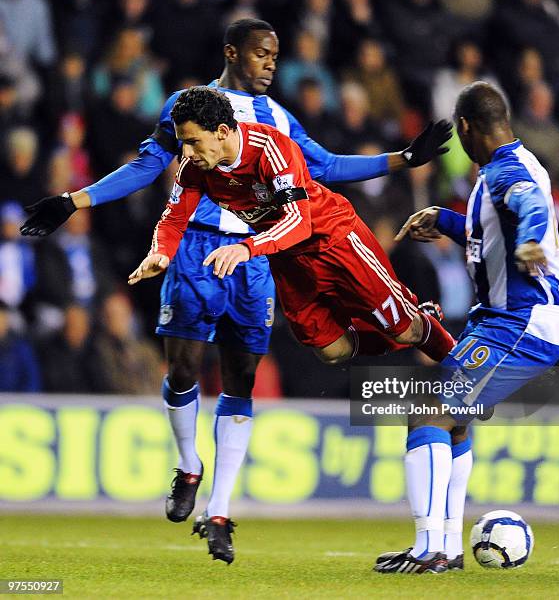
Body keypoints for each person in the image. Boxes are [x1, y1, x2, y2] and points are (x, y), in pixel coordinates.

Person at [20, 18, 452, 564]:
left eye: (276, 55)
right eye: (261, 55)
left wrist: (403, 159)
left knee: (243, 375)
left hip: (259, 251)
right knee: (180, 369)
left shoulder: (277, 122)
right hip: (202, 249)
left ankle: (219, 512)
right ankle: (188, 464)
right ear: (232, 53)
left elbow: (325, 168)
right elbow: (151, 169)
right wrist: (74, 201)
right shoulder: (187, 110)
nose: (272, 63)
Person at [127, 86, 456, 558]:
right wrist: (161, 250)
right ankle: (416, 320)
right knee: (332, 351)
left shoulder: (271, 149)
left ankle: (464, 367)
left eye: (193, 141)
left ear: (223, 133)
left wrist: (245, 246)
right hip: (289, 263)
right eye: (182, 141)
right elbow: (174, 215)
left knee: (405, 331)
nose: (186, 151)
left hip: (335, 240)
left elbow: (299, 221)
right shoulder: (195, 165)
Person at [373, 81, 559, 575]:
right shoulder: (506, 165)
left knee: (429, 415)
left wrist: (529, 241)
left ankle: (430, 548)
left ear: (464, 127)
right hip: (503, 322)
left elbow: (529, 207)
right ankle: (447, 549)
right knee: (453, 419)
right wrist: (442, 219)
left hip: (521, 325)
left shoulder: (510, 172)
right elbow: (491, 228)